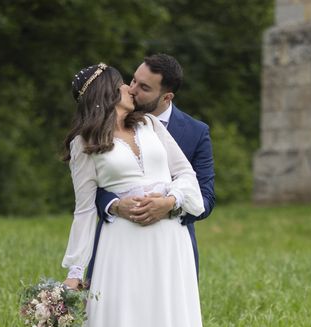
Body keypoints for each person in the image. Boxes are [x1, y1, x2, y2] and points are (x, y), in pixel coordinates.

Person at [59, 62, 214, 327]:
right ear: (109, 93)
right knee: (126, 324)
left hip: (169, 242)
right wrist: (75, 274)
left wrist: (171, 200)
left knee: (169, 320)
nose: (131, 87)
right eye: (124, 83)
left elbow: (187, 175)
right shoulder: (84, 145)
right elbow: (83, 212)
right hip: (122, 247)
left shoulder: (150, 125)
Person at [86, 54, 215, 284]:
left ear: (166, 96)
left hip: (171, 248)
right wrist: (115, 205)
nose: (131, 89)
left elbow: (205, 199)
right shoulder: (103, 123)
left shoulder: (196, 132)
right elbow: (90, 186)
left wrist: (168, 206)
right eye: (133, 80)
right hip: (118, 243)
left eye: (143, 87)